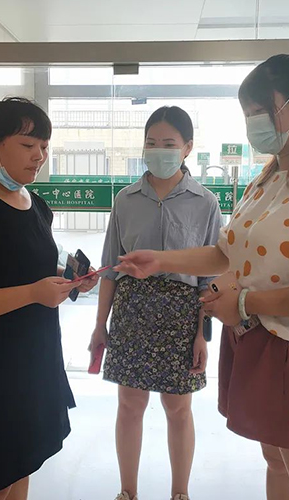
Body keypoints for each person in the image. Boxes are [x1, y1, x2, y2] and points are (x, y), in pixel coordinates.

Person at [116, 55, 289, 500]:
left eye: (260, 112)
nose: (252, 125)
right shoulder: (270, 178)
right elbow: (226, 254)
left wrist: (246, 303)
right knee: (277, 464)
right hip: (260, 344)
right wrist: (161, 261)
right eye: (247, 114)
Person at [0, 97, 98, 500]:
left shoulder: (35, 204)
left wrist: (70, 281)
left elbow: (26, 267)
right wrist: (32, 293)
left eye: (43, 146)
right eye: (28, 145)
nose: (39, 156)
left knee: (26, 463)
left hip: (34, 360)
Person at [89, 106, 223, 500]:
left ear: (187, 148)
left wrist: (202, 335)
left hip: (182, 315)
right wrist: (99, 325)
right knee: (130, 405)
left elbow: (211, 279)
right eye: (151, 143)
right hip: (132, 310)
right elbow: (110, 269)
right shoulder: (125, 199)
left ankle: (180, 492)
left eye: (168, 143)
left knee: (178, 409)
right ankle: (127, 491)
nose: (158, 150)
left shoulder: (205, 203)